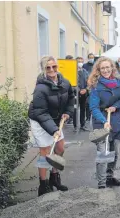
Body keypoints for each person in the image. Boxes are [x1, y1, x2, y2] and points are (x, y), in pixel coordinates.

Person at [28, 56, 74, 196]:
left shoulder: (65, 82)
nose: (52, 70)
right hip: (39, 121)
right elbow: (41, 112)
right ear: (43, 70)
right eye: (48, 67)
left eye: (54, 66)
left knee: (59, 148)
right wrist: (54, 130)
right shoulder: (40, 88)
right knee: (46, 152)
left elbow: (71, 99)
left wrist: (67, 112)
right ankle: (43, 185)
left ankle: (54, 177)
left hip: (55, 120)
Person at [88, 57, 120, 189]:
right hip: (101, 123)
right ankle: (101, 184)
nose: (105, 70)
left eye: (107, 67)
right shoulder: (95, 85)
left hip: (116, 121)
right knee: (103, 153)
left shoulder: (119, 82)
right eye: (102, 68)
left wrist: (115, 106)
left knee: (114, 153)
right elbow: (93, 107)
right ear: (98, 70)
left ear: (112, 68)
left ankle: (110, 177)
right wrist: (104, 121)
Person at [72, 56, 89, 131]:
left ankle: (83, 125)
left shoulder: (85, 71)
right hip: (75, 94)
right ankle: (75, 126)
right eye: (78, 61)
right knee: (75, 110)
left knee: (83, 109)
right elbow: (72, 83)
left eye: (81, 61)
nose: (80, 63)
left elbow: (89, 82)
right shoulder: (72, 71)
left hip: (84, 94)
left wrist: (86, 89)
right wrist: (78, 90)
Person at [83, 53, 95, 122]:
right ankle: (87, 116)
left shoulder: (96, 65)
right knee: (86, 103)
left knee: (93, 102)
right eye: (90, 57)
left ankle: (93, 115)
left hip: (94, 85)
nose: (91, 59)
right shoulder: (85, 65)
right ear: (88, 58)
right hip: (87, 86)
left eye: (92, 57)